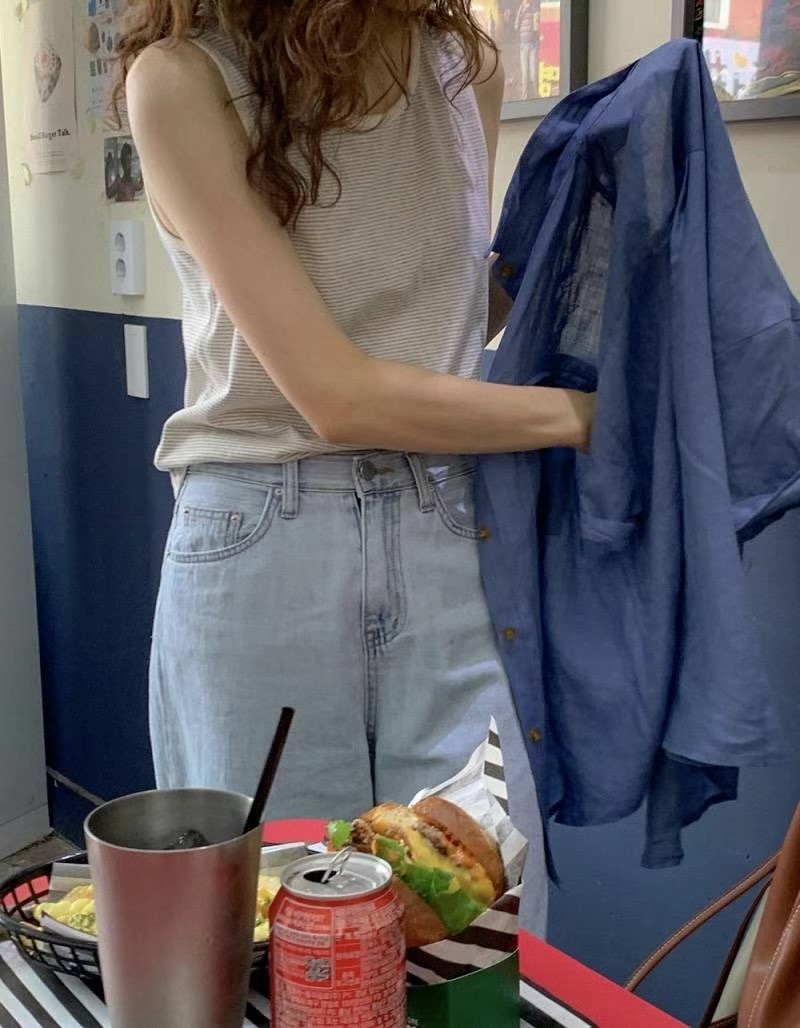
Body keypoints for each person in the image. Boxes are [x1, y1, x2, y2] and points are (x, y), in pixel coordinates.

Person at [119, 0, 593, 935]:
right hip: (264, 534)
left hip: (444, 514)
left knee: (479, 922)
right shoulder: (184, 78)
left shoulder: (463, 66)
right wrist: (585, 418)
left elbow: (448, 312)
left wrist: (590, 219)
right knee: (275, 929)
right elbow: (335, 395)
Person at [515, 0, 540, 98]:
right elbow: (516, 26)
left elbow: (516, 26)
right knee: (529, 72)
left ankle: (529, 96)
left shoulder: (527, 9)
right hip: (528, 44)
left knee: (528, 73)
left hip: (528, 44)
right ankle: (531, 96)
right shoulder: (530, 9)